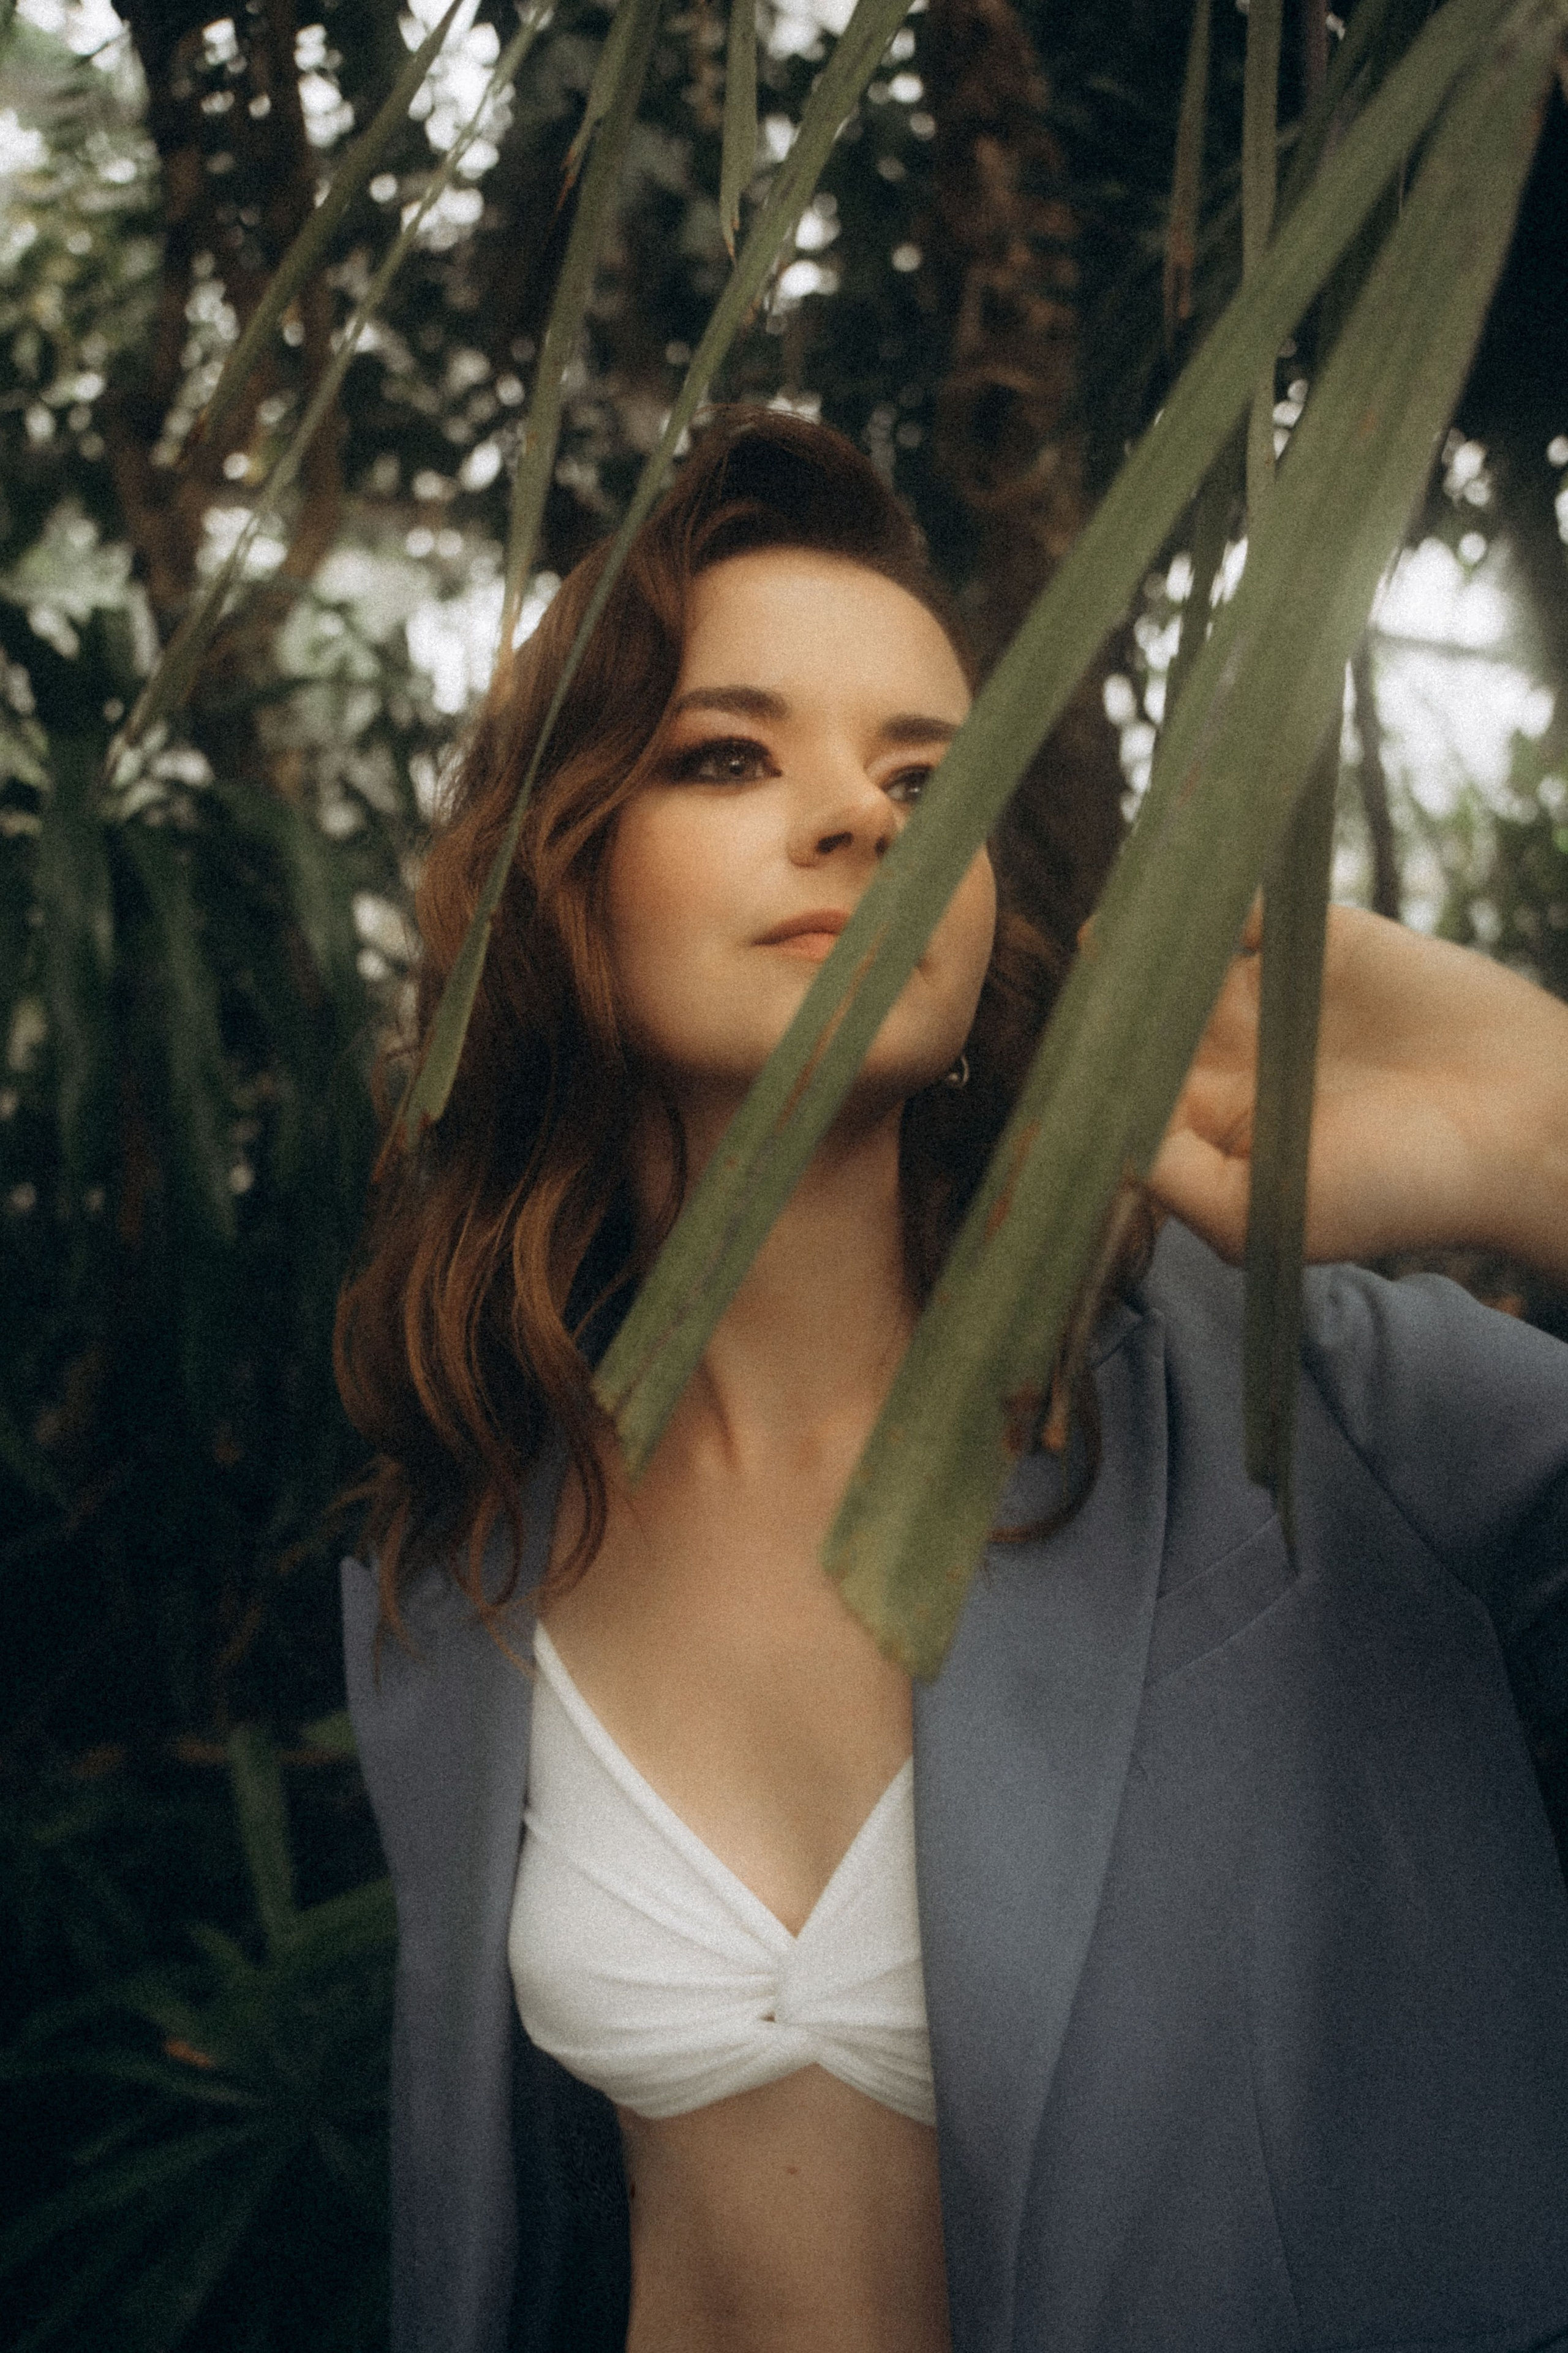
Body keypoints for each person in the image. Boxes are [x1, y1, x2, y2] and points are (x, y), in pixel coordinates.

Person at [335, 409, 1568, 2353]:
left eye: (934, 771)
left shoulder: (1284, 1404)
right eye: (729, 754)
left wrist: (1546, 1143)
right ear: (557, 867)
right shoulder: (458, 1558)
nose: (863, 817)